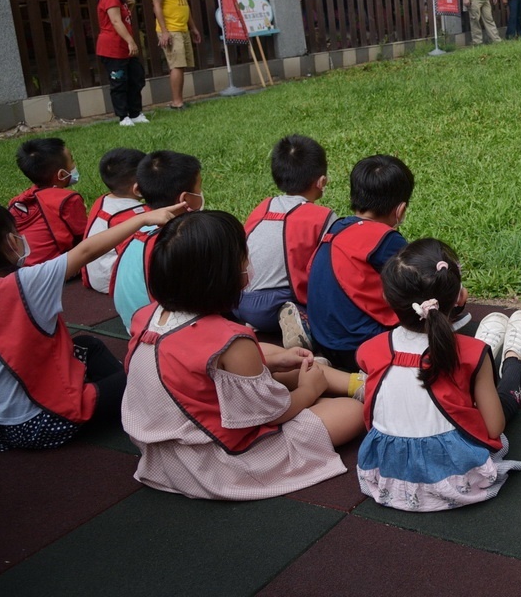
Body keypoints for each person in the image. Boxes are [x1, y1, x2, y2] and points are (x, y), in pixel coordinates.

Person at [122, 210, 364, 500]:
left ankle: (350, 382)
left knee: (282, 360)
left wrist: (272, 361)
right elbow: (275, 413)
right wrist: (310, 391)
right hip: (221, 463)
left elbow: (198, 361)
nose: (248, 264)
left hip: (164, 460)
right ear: (221, 275)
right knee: (350, 412)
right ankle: (360, 387)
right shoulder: (232, 342)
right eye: (243, 255)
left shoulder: (146, 317)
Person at [0, 198, 185, 451]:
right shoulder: (22, 286)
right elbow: (85, 251)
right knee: (144, 378)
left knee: (85, 345)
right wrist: (143, 218)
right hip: (41, 423)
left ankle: (124, 395)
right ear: (7, 244)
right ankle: (136, 400)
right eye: (15, 233)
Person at [356, 239, 521, 511]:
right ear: (460, 297)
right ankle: (514, 359)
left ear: (387, 298)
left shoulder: (370, 350)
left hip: (387, 474)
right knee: (498, 396)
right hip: (455, 477)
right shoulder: (471, 353)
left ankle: (496, 360)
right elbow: (494, 427)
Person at [298, 155, 414, 370]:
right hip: (362, 347)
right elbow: (417, 283)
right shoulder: (386, 239)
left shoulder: (335, 229)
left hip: (324, 340)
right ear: (400, 210)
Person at [236, 135, 337, 336]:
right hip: (278, 302)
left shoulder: (263, 207)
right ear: (321, 181)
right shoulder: (323, 217)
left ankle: (257, 324)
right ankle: (300, 322)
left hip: (240, 300)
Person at [112, 150, 205, 329]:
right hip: (163, 331)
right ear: (185, 199)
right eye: (199, 187)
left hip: (132, 325)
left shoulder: (136, 230)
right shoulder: (181, 240)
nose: (201, 192)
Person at [8, 138, 87, 267]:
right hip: (53, 270)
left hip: (19, 270)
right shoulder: (67, 200)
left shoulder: (17, 201)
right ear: (61, 174)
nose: (74, 165)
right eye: (71, 160)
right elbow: (86, 238)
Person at [82, 148, 148, 294]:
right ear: (137, 189)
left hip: (94, 274)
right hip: (113, 281)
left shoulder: (103, 200)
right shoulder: (137, 216)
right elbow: (141, 254)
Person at [96, 0, 148, 126]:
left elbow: (123, 19)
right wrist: (131, 42)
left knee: (136, 78)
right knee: (119, 82)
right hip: (113, 47)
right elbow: (115, 22)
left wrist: (130, 6)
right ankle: (123, 116)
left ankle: (135, 113)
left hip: (123, 46)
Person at [150, 0, 202, 110]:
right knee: (176, 65)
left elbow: (184, 4)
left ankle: (179, 100)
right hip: (170, 29)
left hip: (182, 27)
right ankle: (177, 102)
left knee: (182, 64)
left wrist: (192, 27)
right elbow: (157, 6)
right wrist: (164, 31)